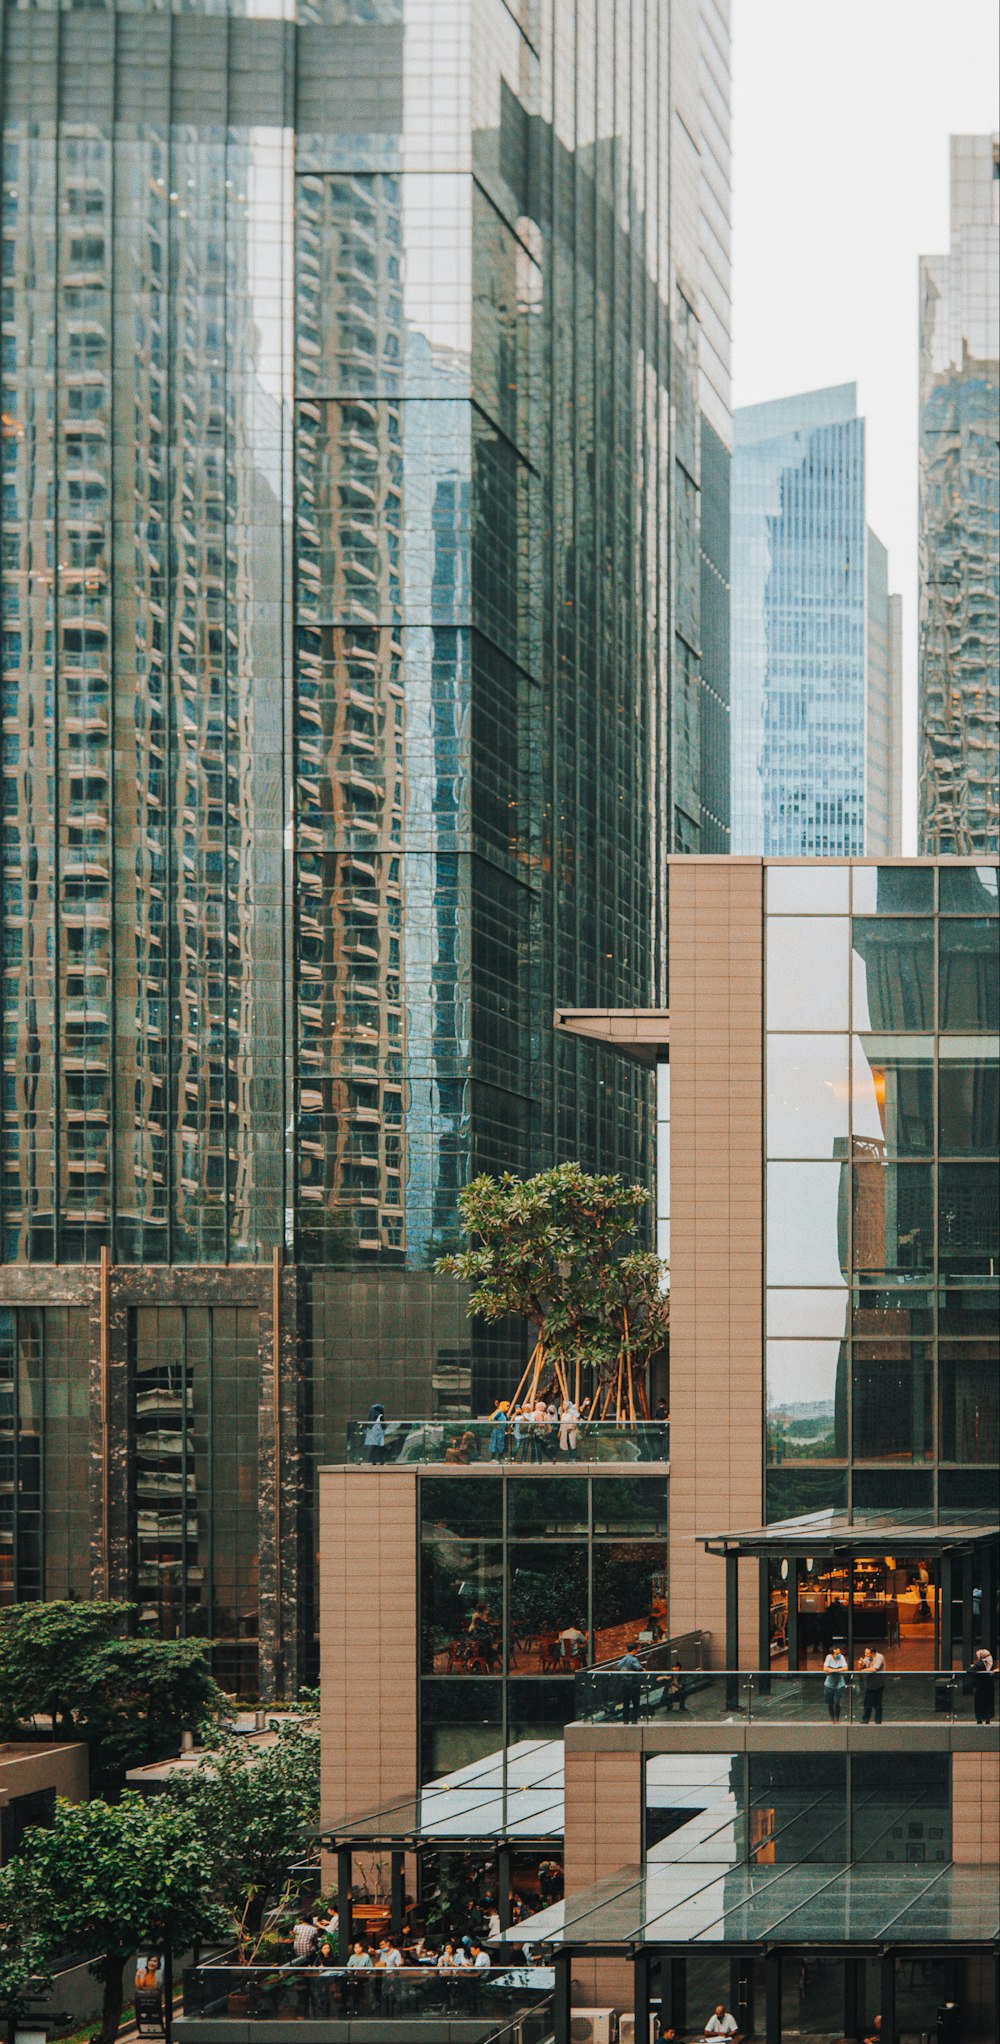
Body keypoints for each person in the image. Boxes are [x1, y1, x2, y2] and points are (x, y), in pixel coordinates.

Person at [859, 1645, 887, 1724]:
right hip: (869, 1684)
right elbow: (861, 1666)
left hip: (878, 1684)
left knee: (877, 1702)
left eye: (867, 1653)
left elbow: (875, 1669)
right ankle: (865, 1719)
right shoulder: (867, 1657)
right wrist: (861, 1664)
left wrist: (865, 1670)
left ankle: (878, 1720)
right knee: (867, 1702)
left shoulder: (879, 1657)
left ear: (873, 1653)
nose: (865, 1655)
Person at [968, 1646, 995, 1724]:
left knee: (980, 1703)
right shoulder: (990, 1664)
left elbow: (969, 1671)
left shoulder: (980, 1664)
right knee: (988, 1703)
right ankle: (987, 1718)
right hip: (989, 1687)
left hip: (980, 1687)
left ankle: (980, 1719)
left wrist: (973, 1667)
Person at [822, 1644, 848, 1722]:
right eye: (837, 1654)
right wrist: (839, 1669)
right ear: (832, 1654)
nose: (839, 1655)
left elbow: (845, 1668)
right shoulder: (828, 1657)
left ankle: (837, 1720)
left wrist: (833, 1670)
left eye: (839, 1653)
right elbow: (825, 1668)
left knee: (837, 1702)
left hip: (839, 1684)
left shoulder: (841, 1657)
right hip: (829, 1685)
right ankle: (833, 1720)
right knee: (830, 1703)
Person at [618, 1648, 644, 1724]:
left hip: (624, 1684)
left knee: (626, 1704)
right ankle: (634, 1721)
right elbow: (639, 1668)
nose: (637, 1651)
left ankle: (625, 1721)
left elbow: (618, 1667)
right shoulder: (634, 1659)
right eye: (636, 1650)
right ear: (634, 1650)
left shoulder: (622, 1660)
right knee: (635, 1704)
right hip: (634, 1684)